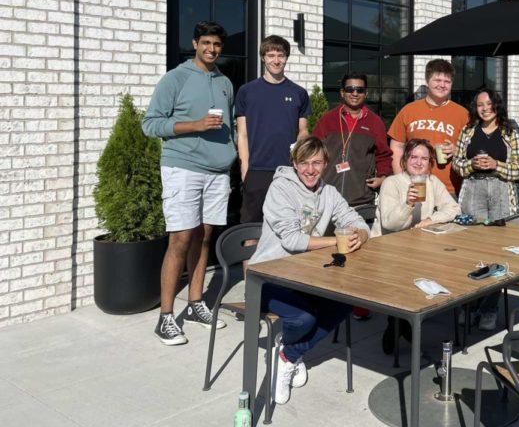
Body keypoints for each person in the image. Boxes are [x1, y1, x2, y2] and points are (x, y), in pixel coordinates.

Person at [248, 136, 370, 405]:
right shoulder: (280, 189)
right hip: (267, 277)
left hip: (306, 276)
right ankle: (292, 348)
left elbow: (355, 220)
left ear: (326, 164)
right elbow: (292, 240)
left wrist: (360, 234)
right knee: (303, 320)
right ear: (294, 163)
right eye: (304, 163)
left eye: (317, 163)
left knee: (348, 301)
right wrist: (336, 241)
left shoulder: (328, 192)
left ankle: (288, 354)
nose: (311, 170)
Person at [142, 21, 235, 345]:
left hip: (217, 172)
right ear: (195, 43)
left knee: (205, 237)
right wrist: (194, 125)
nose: (212, 49)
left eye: (217, 45)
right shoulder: (175, 78)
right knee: (180, 238)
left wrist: (232, 151)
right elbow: (150, 124)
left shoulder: (224, 82)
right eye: (206, 43)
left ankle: (196, 304)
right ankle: (166, 316)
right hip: (184, 167)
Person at [373, 139, 460, 352]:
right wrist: (408, 204)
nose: (419, 163)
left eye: (424, 158)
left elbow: (454, 208)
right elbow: (390, 224)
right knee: (405, 274)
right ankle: (397, 322)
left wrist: (431, 220)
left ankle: (408, 320)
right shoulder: (392, 183)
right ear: (404, 160)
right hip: (388, 249)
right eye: (414, 157)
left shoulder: (431, 181)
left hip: (419, 249)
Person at [452, 88, 519, 330]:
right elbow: (457, 164)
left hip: (500, 190)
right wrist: (471, 164)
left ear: (497, 106)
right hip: (473, 189)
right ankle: (468, 304)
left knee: (497, 252)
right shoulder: (468, 130)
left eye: (489, 104)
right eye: (480, 104)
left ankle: (489, 308)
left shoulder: (509, 131)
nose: (485, 109)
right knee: (471, 250)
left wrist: (497, 164)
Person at [235, 35, 310, 229]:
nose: (276, 60)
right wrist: (245, 170)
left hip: (289, 170)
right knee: (251, 229)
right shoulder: (247, 91)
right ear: (262, 57)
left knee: (289, 226)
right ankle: (250, 262)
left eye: (281, 55)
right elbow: (242, 135)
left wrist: (301, 147)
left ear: (286, 57)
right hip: (257, 170)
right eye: (271, 55)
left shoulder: (299, 93)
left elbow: (303, 130)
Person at [313, 72, 392, 223]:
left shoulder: (375, 122)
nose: (355, 93)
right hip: (327, 197)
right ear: (342, 93)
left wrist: (382, 177)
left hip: (360, 201)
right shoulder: (327, 120)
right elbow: (313, 152)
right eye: (350, 89)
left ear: (366, 93)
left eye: (360, 90)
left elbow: (384, 155)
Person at [388, 59, 469, 197]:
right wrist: (401, 181)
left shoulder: (463, 114)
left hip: (449, 190)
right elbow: (397, 147)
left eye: (447, 81)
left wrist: (457, 150)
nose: (442, 85)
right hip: (415, 187)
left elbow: (473, 150)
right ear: (427, 81)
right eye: (437, 80)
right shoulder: (409, 110)